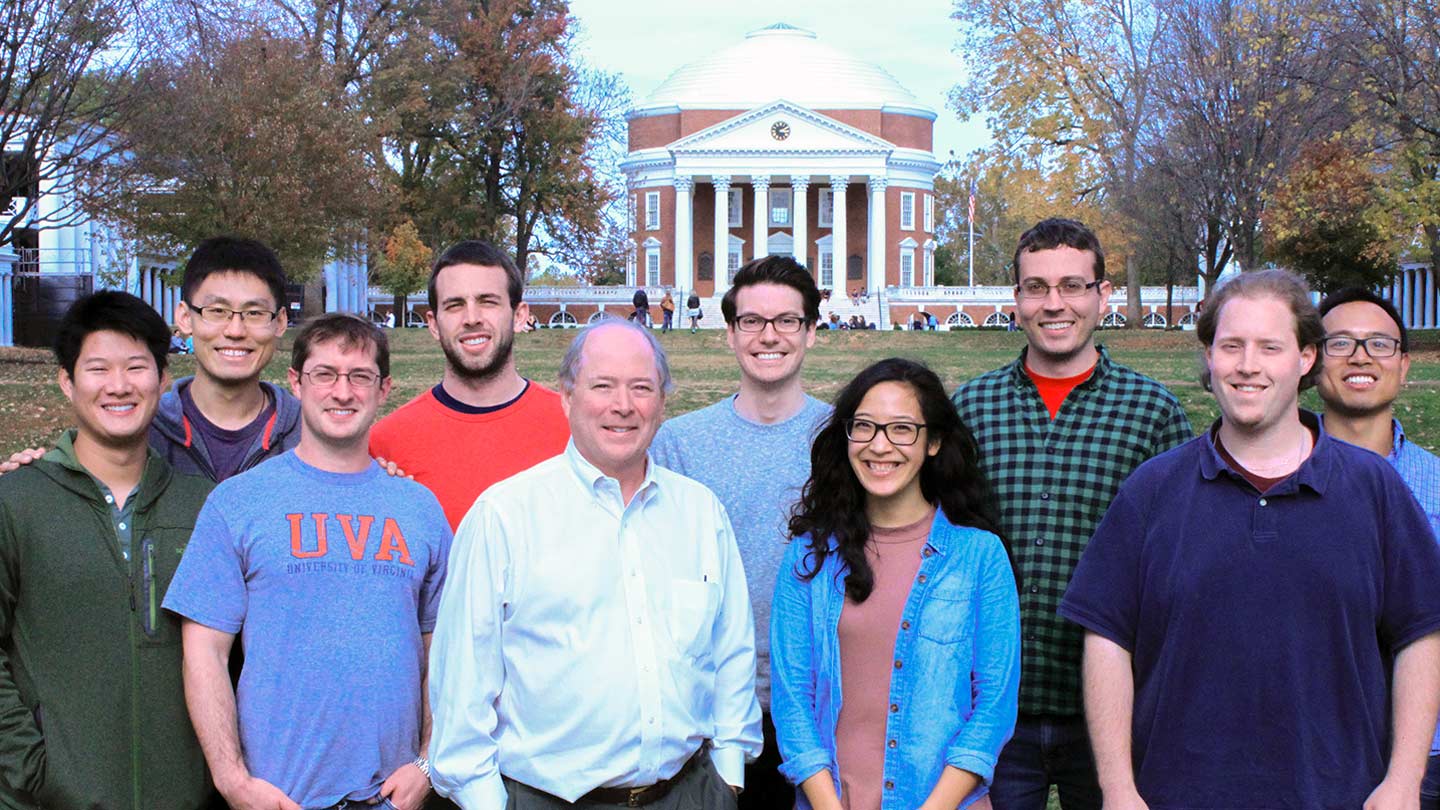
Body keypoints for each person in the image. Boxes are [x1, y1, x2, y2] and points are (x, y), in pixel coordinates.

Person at [1060, 269, 1440, 810]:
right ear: (1210, 357)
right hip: (1176, 795)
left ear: (1306, 357)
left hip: (1339, 795)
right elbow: (1106, 640)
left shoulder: (1372, 487)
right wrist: (1118, 788)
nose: (1247, 365)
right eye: (1231, 345)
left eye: (1270, 346)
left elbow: (1421, 633)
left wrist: (1404, 780)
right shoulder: (1154, 489)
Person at [428, 319, 762, 810]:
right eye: (602, 386)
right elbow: (463, 685)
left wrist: (728, 776)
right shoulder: (505, 515)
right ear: (567, 396)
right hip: (550, 799)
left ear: (663, 401)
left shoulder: (699, 511)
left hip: (689, 793)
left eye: (641, 388)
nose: (622, 405)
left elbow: (732, 650)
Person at [164, 314, 451, 810]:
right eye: (325, 374)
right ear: (296, 383)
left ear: (384, 389)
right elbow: (204, 653)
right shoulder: (239, 502)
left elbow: (445, 655)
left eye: (359, 376)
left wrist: (428, 763)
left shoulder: (419, 508)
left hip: (391, 797)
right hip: (280, 798)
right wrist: (233, 781)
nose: (343, 392)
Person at [952, 218, 1192, 810]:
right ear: (1016, 299)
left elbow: (1180, 561)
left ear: (1101, 295)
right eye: (1036, 287)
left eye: (1072, 286)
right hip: (992, 707)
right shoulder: (971, 406)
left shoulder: (1152, 411)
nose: (1053, 304)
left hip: (1111, 710)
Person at [771, 358, 1020, 810]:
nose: (879, 446)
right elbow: (793, 702)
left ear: (934, 442)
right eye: (864, 426)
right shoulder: (810, 555)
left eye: (902, 429)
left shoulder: (981, 556)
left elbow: (993, 709)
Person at [0, 291, 214, 810]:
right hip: (47, 798)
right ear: (67, 382)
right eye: (98, 368)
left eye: (136, 367)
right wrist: (31, 765)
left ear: (163, 380)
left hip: (185, 796)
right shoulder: (17, 500)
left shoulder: (205, 503)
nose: (119, 386)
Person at [652, 255, 832, 809]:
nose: (769, 336)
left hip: (820, 702)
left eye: (787, 321)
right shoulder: (679, 443)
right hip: (708, 707)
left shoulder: (844, 439)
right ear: (730, 334)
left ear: (811, 333)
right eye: (752, 321)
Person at [1, 237, 303, 481]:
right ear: (185, 317)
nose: (235, 330)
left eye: (254, 313)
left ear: (279, 322)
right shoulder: (135, 428)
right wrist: (34, 478)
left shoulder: (309, 432)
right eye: (217, 311)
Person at [1313, 287, 1440, 807]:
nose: (1361, 356)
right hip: (1311, 747)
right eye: (1339, 342)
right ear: (1309, 360)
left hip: (1429, 759)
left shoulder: (1436, 486)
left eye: (1380, 344)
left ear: (1405, 365)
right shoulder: (1270, 482)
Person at [369, 240, 569, 529]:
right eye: (454, 305)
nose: (472, 318)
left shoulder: (573, 429)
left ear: (519, 315)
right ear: (434, 324)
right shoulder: (384, 446)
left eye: (488, 302)